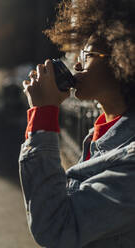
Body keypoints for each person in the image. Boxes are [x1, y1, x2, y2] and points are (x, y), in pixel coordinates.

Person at [19, 0, 135, 247]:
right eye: (79, 54)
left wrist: (43, 114)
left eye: (89, 53)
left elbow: (56, 228)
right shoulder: (101, 134)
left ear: (124, 57)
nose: (78, 64)